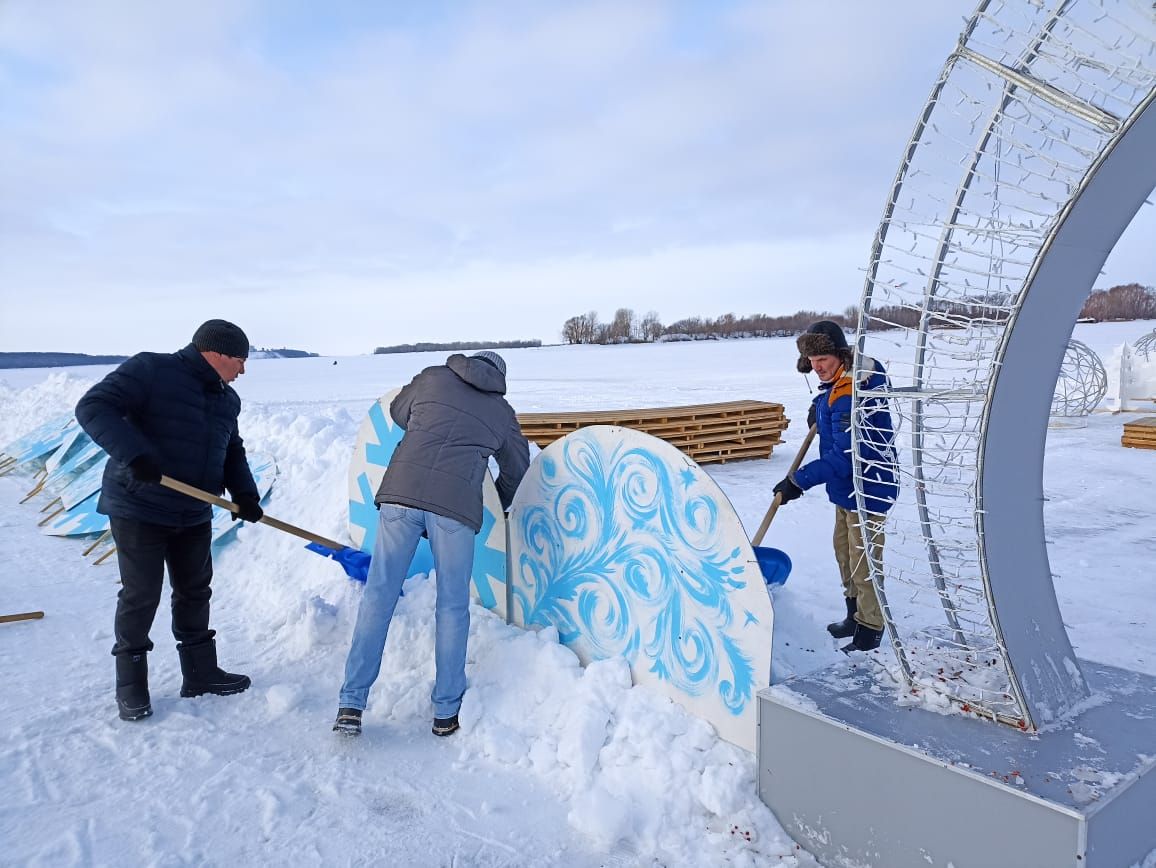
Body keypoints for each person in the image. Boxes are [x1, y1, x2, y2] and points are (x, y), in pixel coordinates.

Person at [334, 350, 530, 738]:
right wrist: (500, 501)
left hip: (400, 495)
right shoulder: (502, 413)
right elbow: (518, 469)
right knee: (452, 607)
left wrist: (427, 426)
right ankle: (445, 711)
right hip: (455, 510)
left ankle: (351, 705)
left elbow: (397, 412)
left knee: (378, 595)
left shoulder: (432, 376)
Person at [76, 319, 264, 721]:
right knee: (141, 594)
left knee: (195, 591)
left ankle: (200, 674)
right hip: (139, 505)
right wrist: (135, 454)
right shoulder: (151, 370)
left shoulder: (226, 399)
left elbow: (231, 449)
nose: (243, 371)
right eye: (240, 361)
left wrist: (244, 493)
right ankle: (131, 686)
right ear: (215, 354)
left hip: (194, 510)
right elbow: (93, 407)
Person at [772, 321, 898, 652]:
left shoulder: (856, 392)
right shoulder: (838, 387)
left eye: (823, 360)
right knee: (844, 554)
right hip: (846, 489)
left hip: (868, 486)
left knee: (863, 561)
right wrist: (821, 405)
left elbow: (845, 457)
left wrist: (797, 481)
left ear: (840, 356)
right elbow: (834, 416)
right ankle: (854, 615)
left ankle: (870, 628)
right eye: (811, 363)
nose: (817, 368)